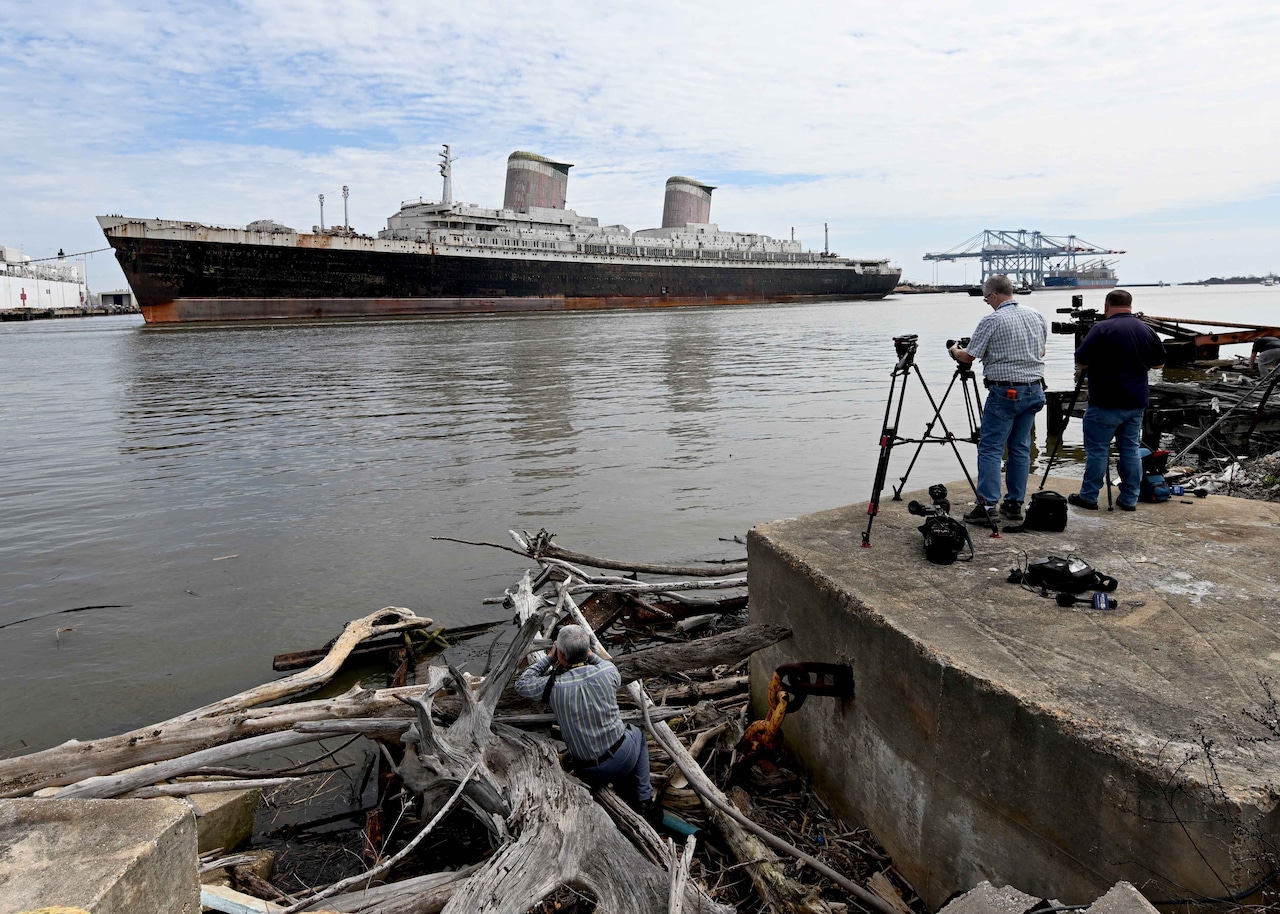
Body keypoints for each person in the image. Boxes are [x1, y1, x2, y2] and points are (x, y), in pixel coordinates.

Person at [514, 624, 657, 818]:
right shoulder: (608, 672)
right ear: (588, 650)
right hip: (623, 758)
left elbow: (521, 684)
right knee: (638, 734)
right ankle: (645, 799)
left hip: (590, 773)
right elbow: (602, 662)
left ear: (561, 656)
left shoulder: (552, 686)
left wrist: (549, 657)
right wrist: (588, 654)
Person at [948, 274, 1049, 524]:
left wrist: (954, 350)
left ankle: (987, 505)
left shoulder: (992, 320)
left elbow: (968, 357)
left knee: (991, 448)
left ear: (994, 295)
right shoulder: (1036, 315)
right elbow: (1041, 351)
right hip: (1034, 390)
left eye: (986, 299)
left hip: (1005, 392)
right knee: (1020, 447)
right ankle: (1015, 504)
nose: (987, 303)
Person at [1068, 289, 1165, 511]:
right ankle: (1130, 498)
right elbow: (1159, 363)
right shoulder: (1146, 329)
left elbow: (1081, 361)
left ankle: (1089, 497)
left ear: (1106, 306)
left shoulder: (1101, 328)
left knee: (1098, 450)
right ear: (1130, 305)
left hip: (1105, 401)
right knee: (1130, 449)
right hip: (1135, 401)